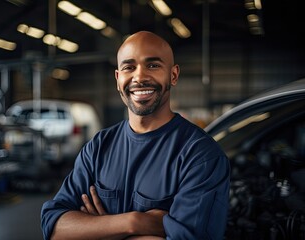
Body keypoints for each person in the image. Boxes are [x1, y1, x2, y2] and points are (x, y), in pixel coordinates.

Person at [41, 31, 230, 240]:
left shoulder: (201, 156)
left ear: (173, 75)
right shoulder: (98, 147)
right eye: (129, 67)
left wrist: (97, 229)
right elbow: (54, 227)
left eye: (153, 65)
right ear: (117, 78)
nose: (139, 77)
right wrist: (135, 222)